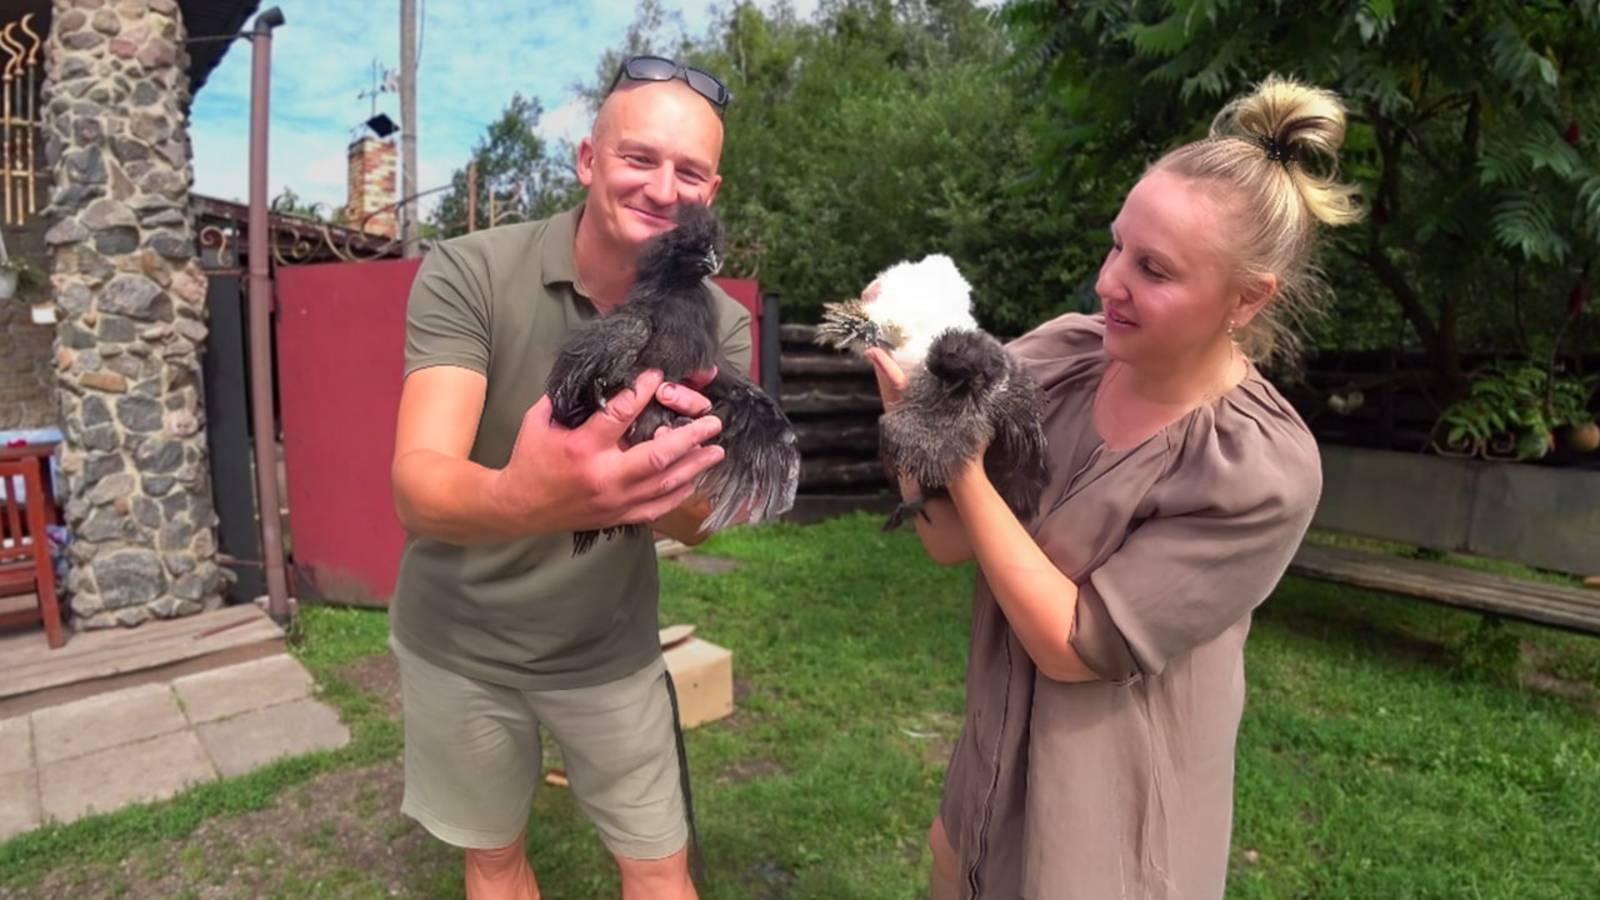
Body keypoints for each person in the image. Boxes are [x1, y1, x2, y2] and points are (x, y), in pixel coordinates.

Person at [867, 74, 1361, 899]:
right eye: (1117, 246)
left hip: (1110, 829)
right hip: (988, 790)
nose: (1108, 282)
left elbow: (1073, 647)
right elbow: (949, 539)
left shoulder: (1258, 469)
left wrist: (959, 460)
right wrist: (909, 417)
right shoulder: (1064, 355)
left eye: (1153, 269)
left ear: (1246, 299)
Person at [388, 55, 750, 900]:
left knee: (659, 867)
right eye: (638, 158)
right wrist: (534, 496)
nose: (662, 188)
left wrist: (669, 486)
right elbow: (417, 486)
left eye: (688, 172)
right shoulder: (471, 270)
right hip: (462, 641)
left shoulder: (720, 323)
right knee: (494, 860)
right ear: (589, 159)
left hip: (607, 647)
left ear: (710, 191)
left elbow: (701, 521)